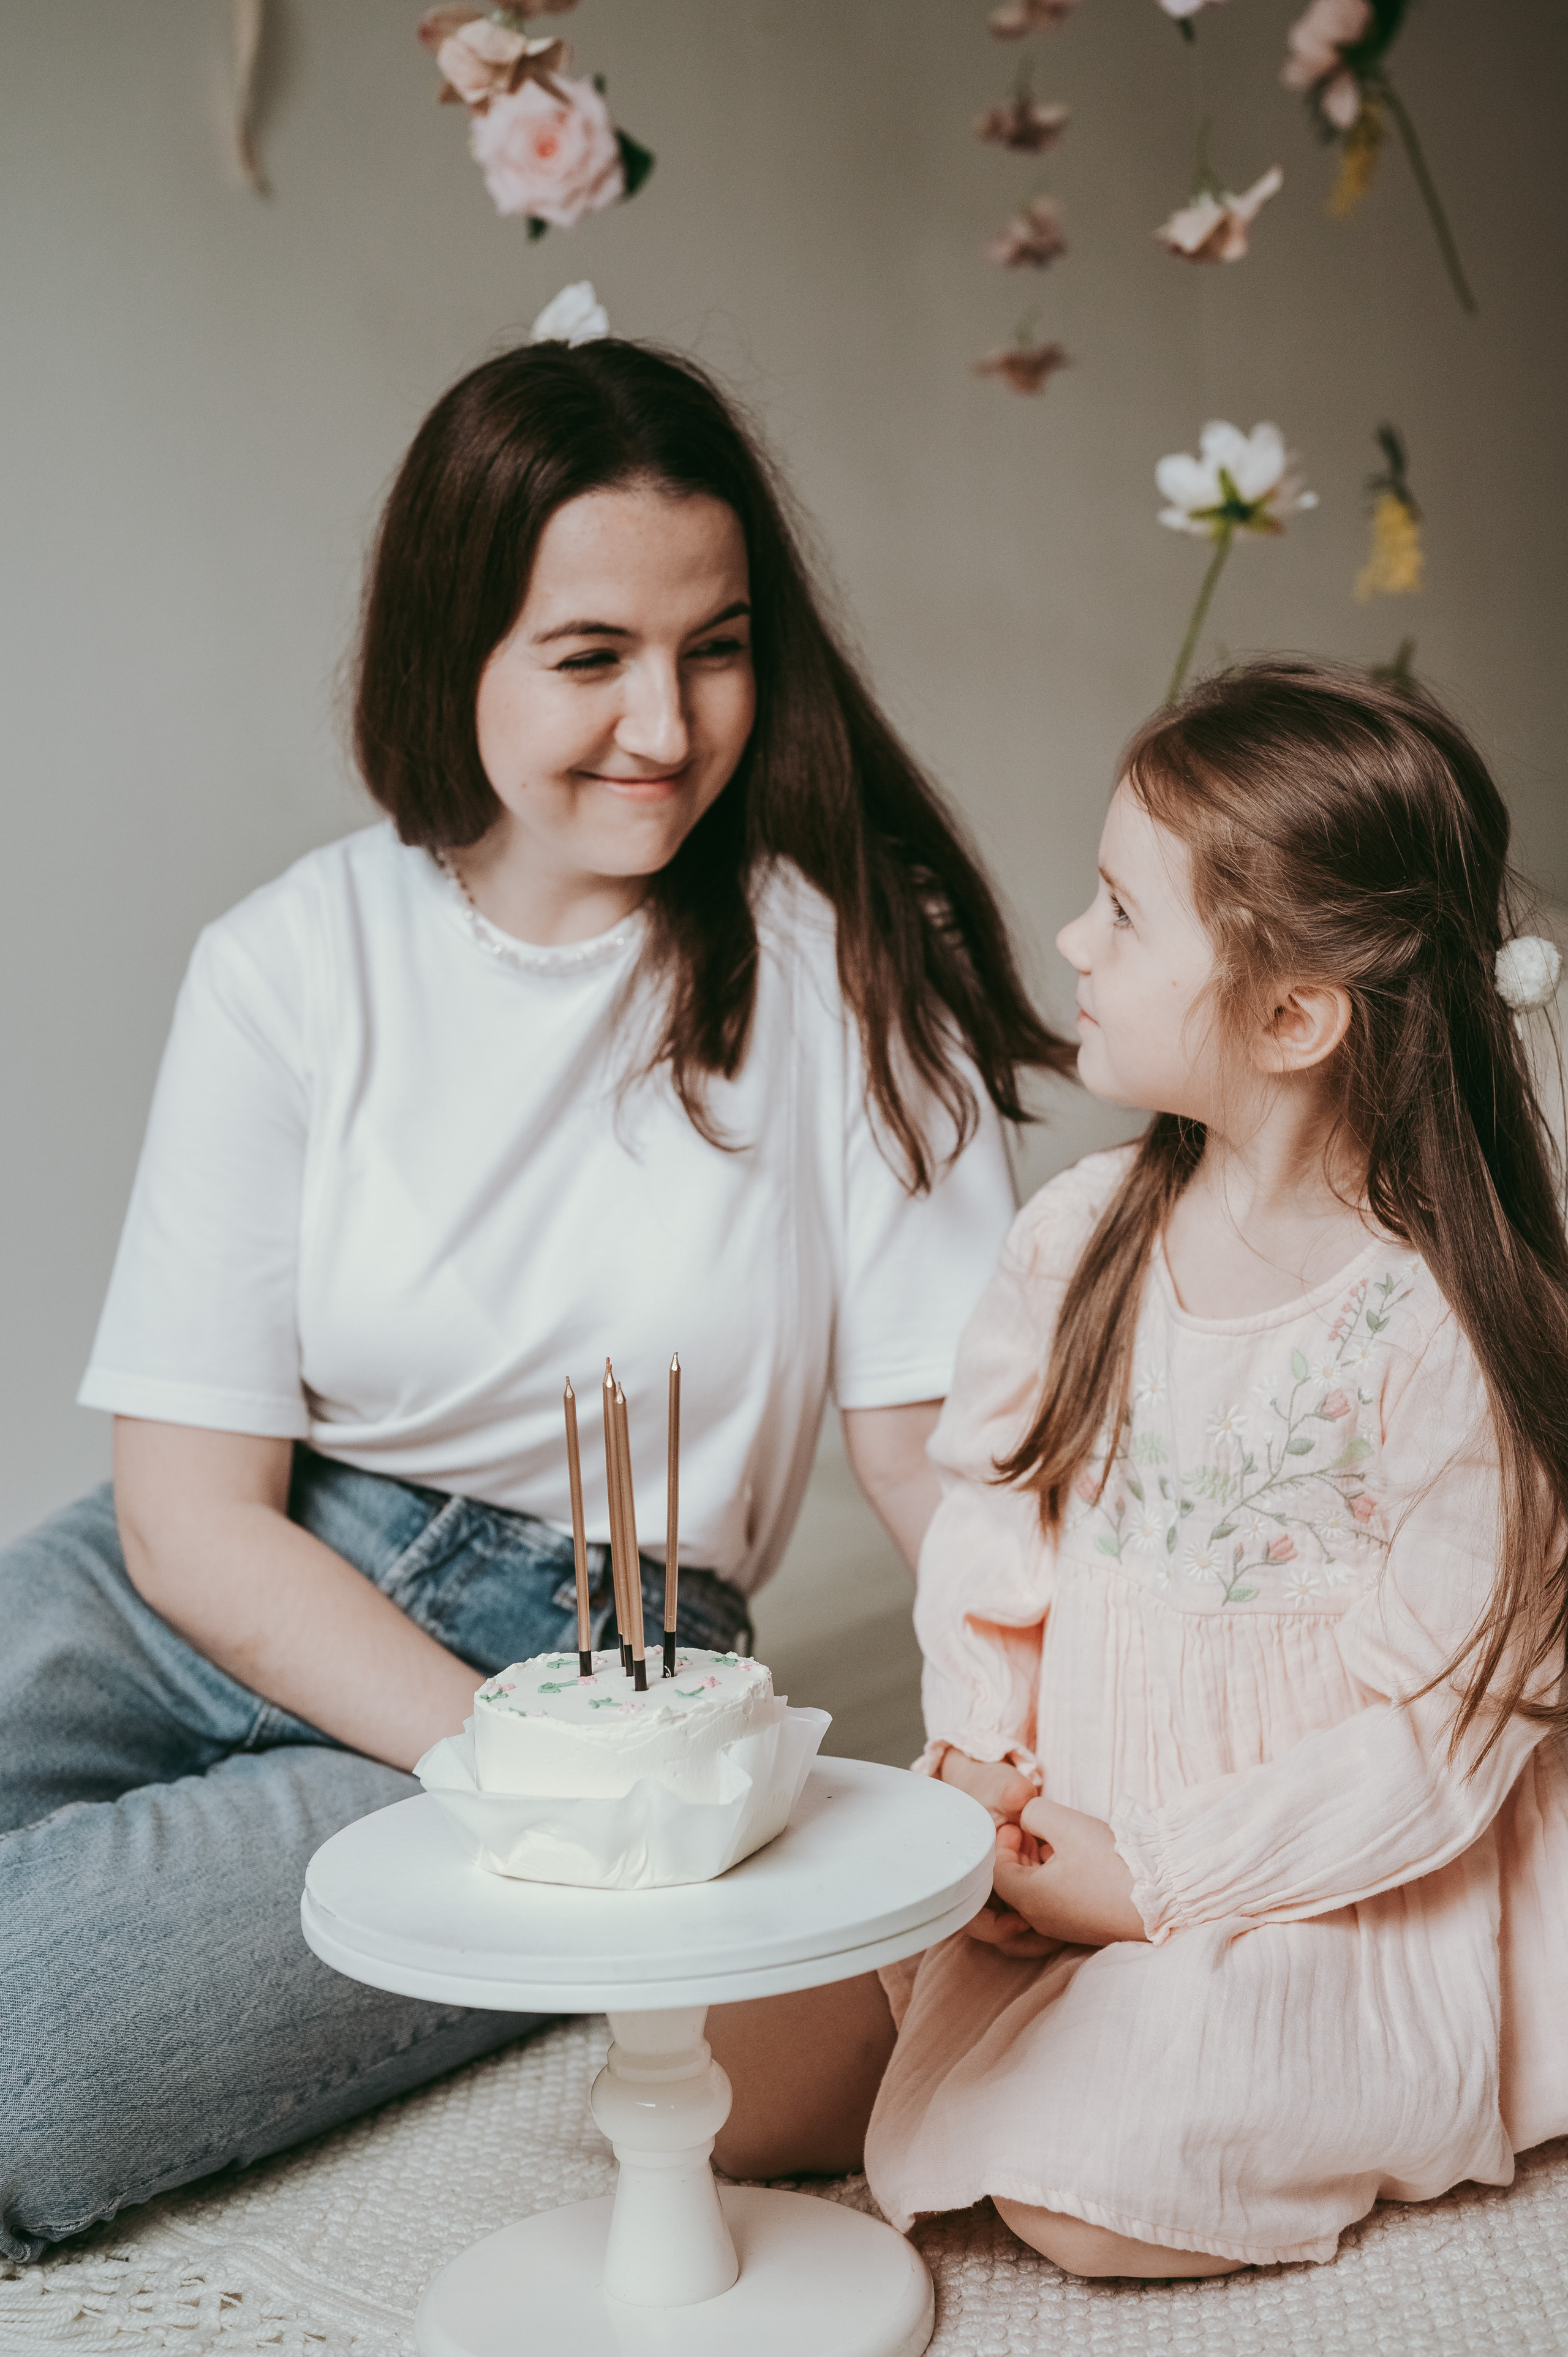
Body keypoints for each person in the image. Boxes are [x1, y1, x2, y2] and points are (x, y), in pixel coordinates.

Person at [0, 331, 1069, 2261]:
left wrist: (1072, 1730)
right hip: (224, 1571)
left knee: (26, 2051)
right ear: (454, 655)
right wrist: (477, 1765)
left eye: (716, 645)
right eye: (590, 658)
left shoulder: (845, 976)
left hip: (602, 1663)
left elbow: (937, 1457)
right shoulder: (291, 962)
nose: (665, 723)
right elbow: (185, 1513)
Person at [707, 658, 1568, 2277]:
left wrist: (1155, 1878)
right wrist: (981, 1773)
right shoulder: (1083, 1236)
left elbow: (1438, 1753)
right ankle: (1023, 1999)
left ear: (1295, 1013)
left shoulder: (1441, 1328)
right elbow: (992, 1523)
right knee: (730, 2075)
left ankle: (1150, 2049)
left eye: (1121, 913)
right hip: (1071, 1819)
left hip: (1320, 1881)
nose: (1072, 943)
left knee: (1085, 2191)